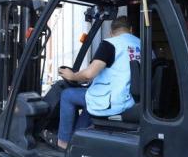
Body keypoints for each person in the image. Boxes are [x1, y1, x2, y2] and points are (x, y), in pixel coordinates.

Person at [57, 16, 141, 149]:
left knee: (67, 95)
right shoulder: (143, 44)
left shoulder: (110, 44)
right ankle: (78, 136)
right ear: (131, 30)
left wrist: (72, 76)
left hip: (114, 101)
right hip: (133, 101)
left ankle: (63, 141)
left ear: (111, 32)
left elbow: (89, 74)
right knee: (89, 100)